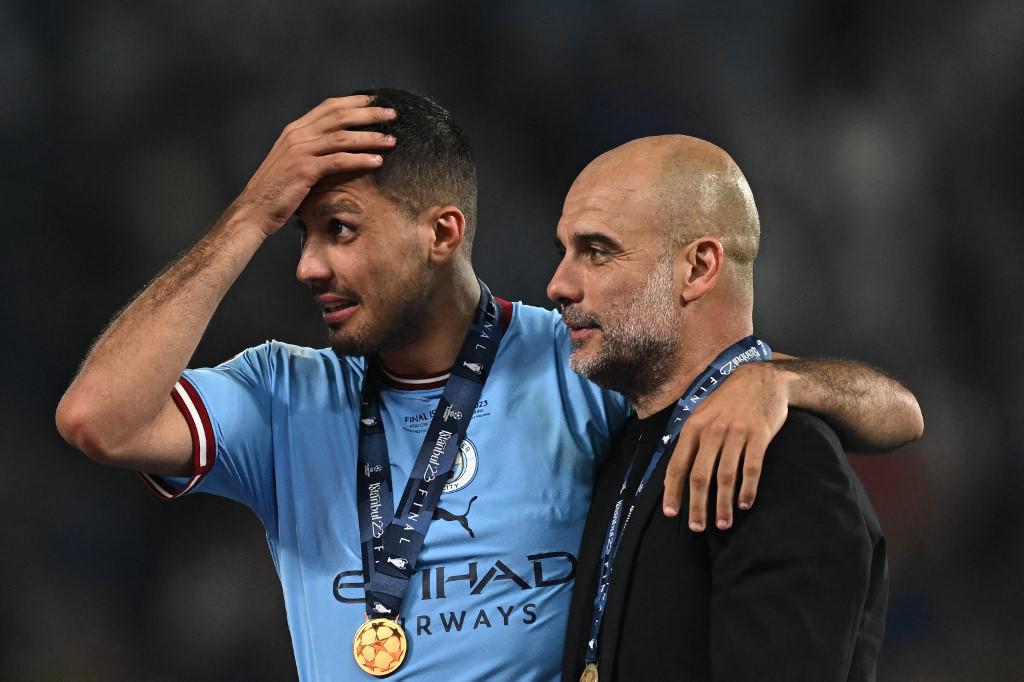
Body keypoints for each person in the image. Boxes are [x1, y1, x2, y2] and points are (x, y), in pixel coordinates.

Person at [56, 90, 920, 680]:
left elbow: (892, 412)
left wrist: (776, 383)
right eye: (299, 233)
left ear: (442, 233)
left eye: (340, 231)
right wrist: (248, 215)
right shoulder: (281, 396)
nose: (309, 265)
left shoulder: (577, 359)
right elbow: (100, 418)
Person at [555, 135, 903, 681]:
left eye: (597, 251)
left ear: (698, 268)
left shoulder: (780, 456)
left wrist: (775, 381)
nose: (559, 284)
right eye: (565, 251)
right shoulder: (622, 441)